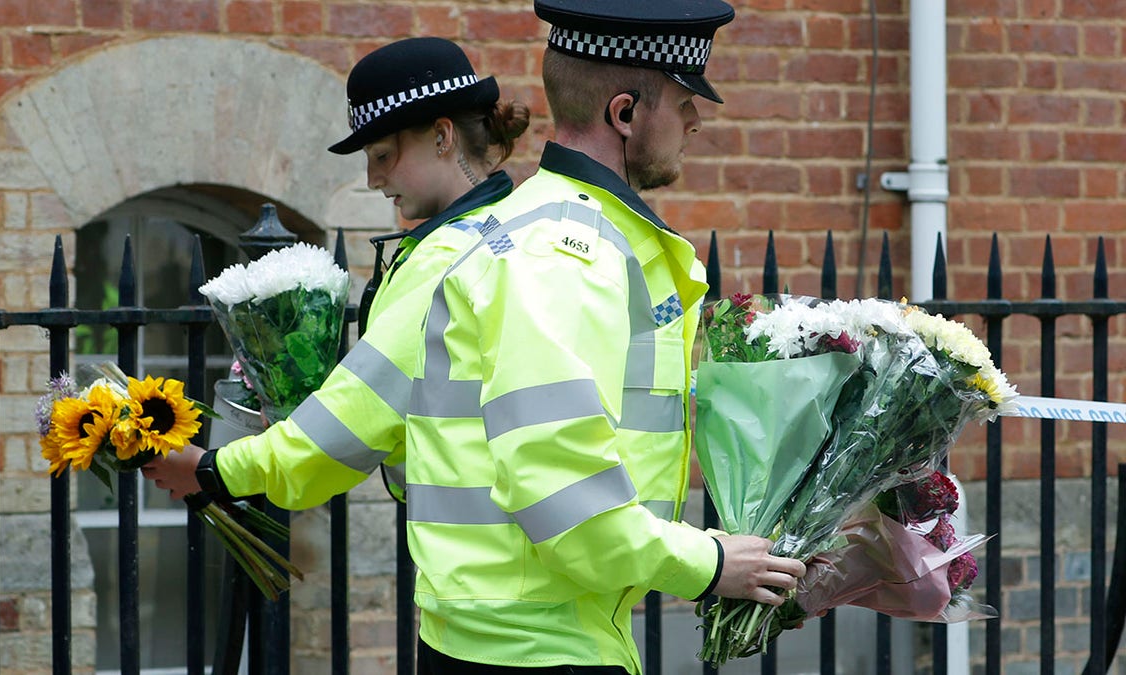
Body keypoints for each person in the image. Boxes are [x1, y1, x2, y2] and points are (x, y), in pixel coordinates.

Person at [402, 2, 806, 673]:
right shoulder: (569, 255)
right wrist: (708, 563)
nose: (696, 121)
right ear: (625, 113)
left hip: (511, 632)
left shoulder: (548, 231)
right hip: (537, 647)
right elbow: (564, 496)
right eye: (683, 101)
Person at [142, 37, 529, 506]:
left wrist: (215, 469)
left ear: (443, 137)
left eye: (383, 154)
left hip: (481, 563)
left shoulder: (448, 257)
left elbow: (359, 413)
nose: (372, 178)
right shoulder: (520, 228)